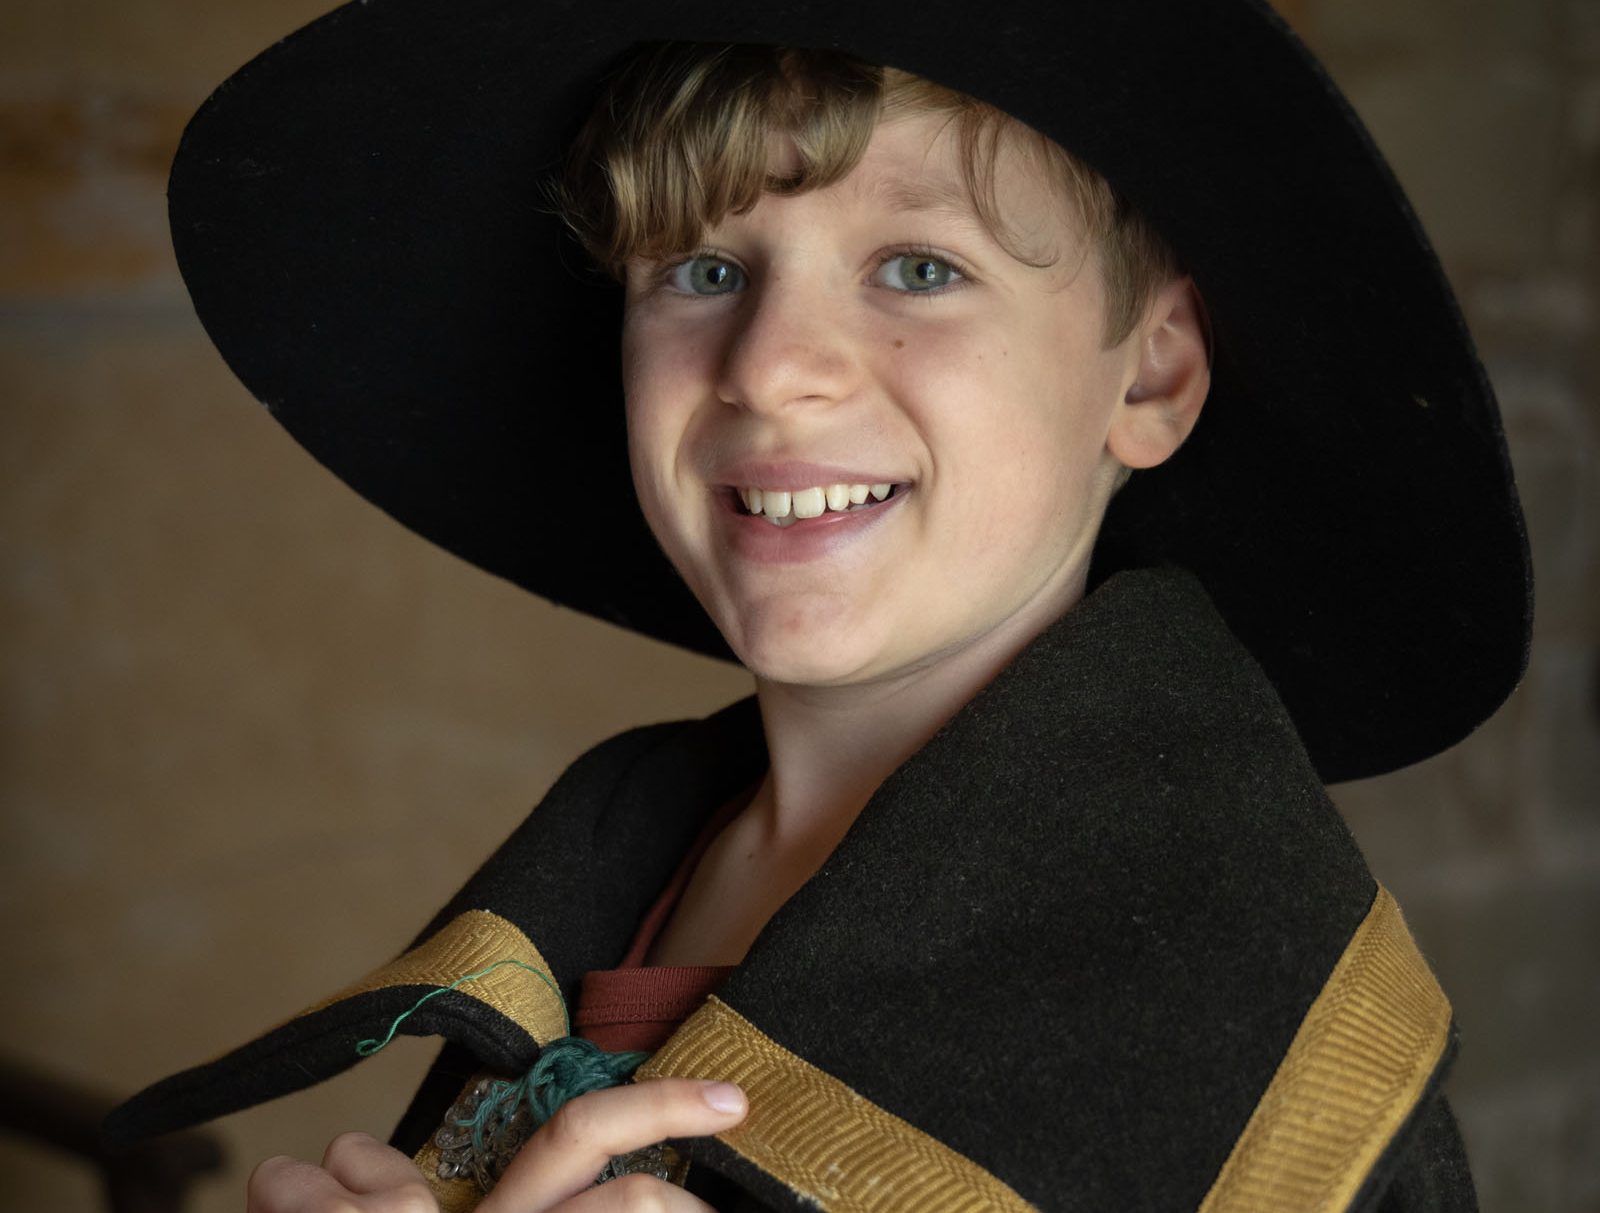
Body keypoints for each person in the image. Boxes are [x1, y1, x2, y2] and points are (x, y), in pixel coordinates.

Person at [104, 3, 1532, 1211]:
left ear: (1148, 377)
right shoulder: (615, 858)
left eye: (921, 267)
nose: (771, 365)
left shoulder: (1250, 1022)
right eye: (703, 271)